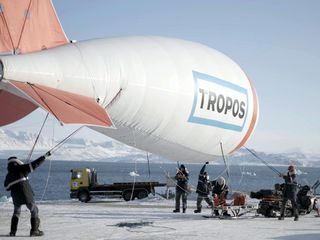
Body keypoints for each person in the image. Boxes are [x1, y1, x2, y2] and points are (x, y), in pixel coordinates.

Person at [4, 152, 51, 237]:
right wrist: (44, 157)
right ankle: (34, 231)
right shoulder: (22, 169)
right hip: (26, 194)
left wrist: (15, 183)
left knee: (16, 212)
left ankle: (12, 232)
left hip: (16, 197)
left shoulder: (9, 175)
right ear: (17, 162)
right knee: (34, 210)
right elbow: (34, 164)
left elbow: (6, 187)